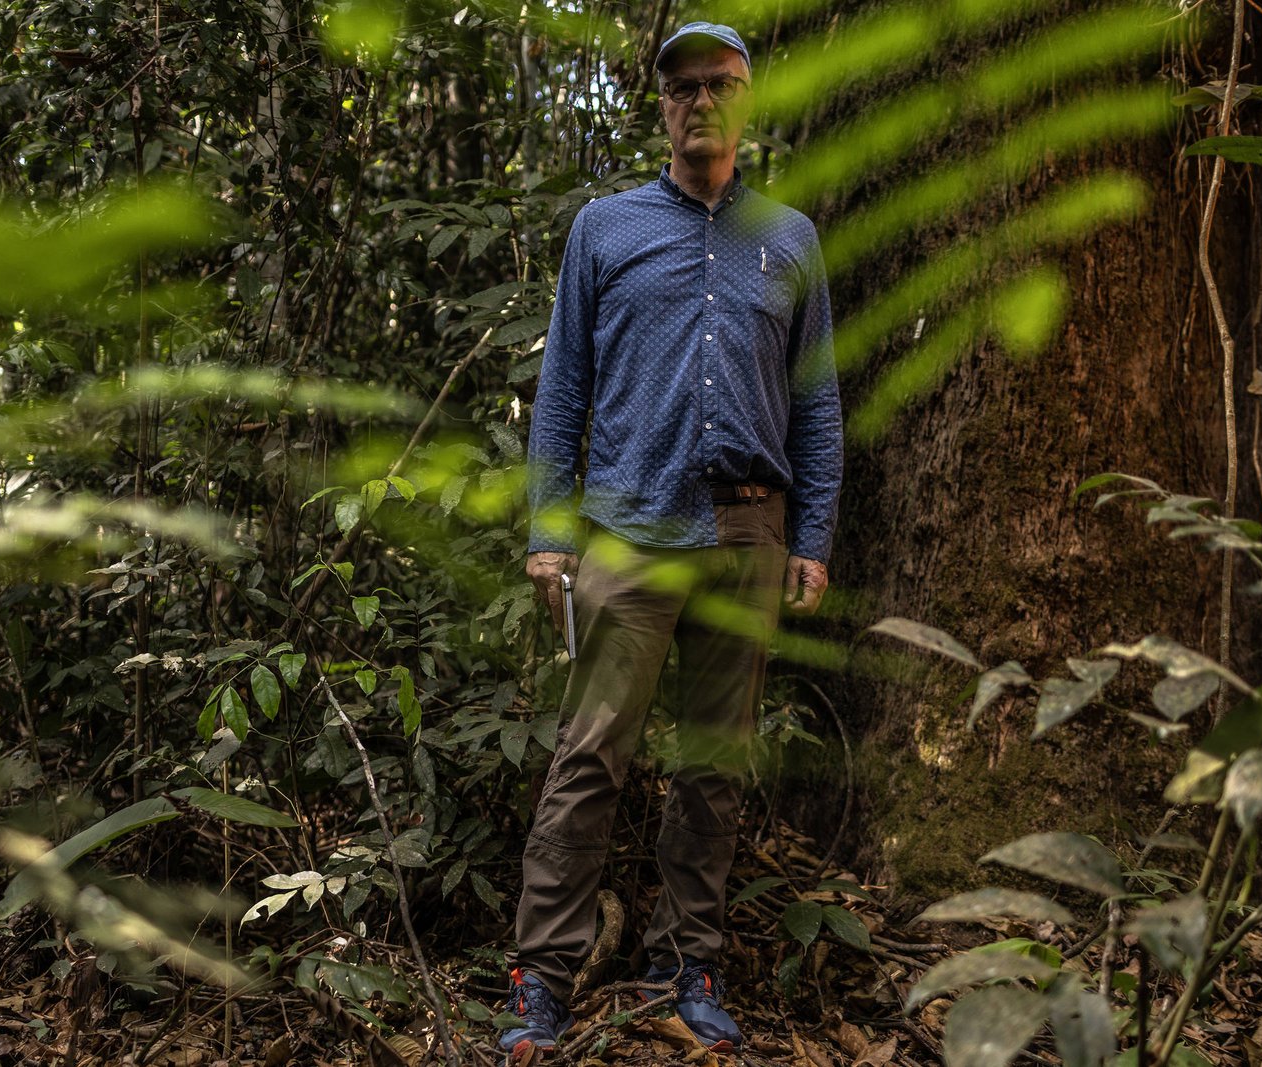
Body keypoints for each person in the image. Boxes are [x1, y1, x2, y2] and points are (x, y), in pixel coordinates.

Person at [498, 20, 843, 1061]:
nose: (702, 102)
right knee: (590, 754)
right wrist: (549, 532)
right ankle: (541, 976)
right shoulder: (604, 229)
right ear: (661, 104)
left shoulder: (790, 237)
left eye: (721, 85)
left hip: (748, 529)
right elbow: (562, 393)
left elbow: (816, 405)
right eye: (683, 86)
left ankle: (685, 963)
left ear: (746, 101)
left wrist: (812, 535)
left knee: (714, 763)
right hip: (628, 528)